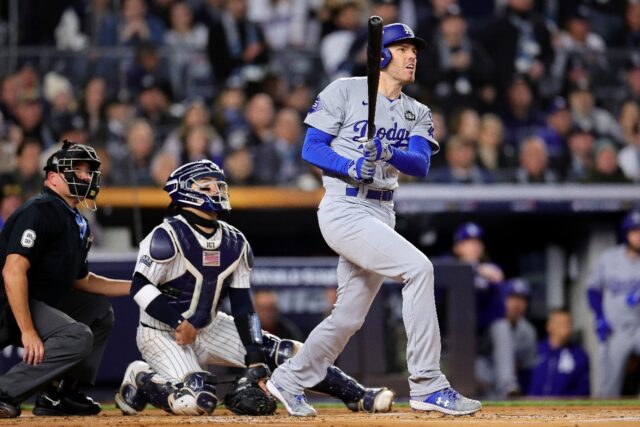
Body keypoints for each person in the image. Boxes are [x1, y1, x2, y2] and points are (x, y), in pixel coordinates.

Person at [266, 22, 482, 417]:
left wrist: (384, 152)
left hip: (382, 210)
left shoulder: (417, 110)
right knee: (419, 269)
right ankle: (428, 383)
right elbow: (311, 149)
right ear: (380, 55)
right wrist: (351, 165)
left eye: (413, 49)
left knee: (348, 317)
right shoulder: (344, 90)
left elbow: (419, 163)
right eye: (401, 49)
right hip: (344, 207)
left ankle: (289, 379)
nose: (411, 55)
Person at [114, 160, 394, 416]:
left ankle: (358, 395)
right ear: (185, 192)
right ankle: (142, 377)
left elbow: (242, 304)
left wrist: (255, 357)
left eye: (219, 185)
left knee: (288, 352)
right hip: (161, 332)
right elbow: (139, 285)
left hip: (209, 326)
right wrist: (177, 322)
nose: (217, 190)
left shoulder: (235, 240)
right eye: (207, 186)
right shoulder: (165, 235)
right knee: (196, 400)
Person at [0, 141, 131, 418]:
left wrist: (138, 286)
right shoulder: (40, 209)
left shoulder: (75, 219)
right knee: (76, 336)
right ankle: (5, 391)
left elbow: (81, 280)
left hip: (32, 301)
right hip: (7, 303)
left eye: (88, 171)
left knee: (98, 311)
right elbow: (13, 271)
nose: (85, 176)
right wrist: (28, 330)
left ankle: (58, 394)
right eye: (77, 170)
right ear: (52, 178)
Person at [587, 209, 640, 397]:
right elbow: (593, 290)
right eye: (635, 231)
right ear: (626, 233)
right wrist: (600, 317)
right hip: (615, 328)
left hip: (639, 326)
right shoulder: (608, 259)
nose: (639, 236)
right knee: (609, 385)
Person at [528, 308, 589, 396]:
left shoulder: (580, 356)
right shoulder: (535, 350)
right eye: (562, 324)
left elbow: (583, 392)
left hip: (564, 408)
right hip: (531, 407)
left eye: (569, 323)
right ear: (549, 326)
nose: (567, 328)